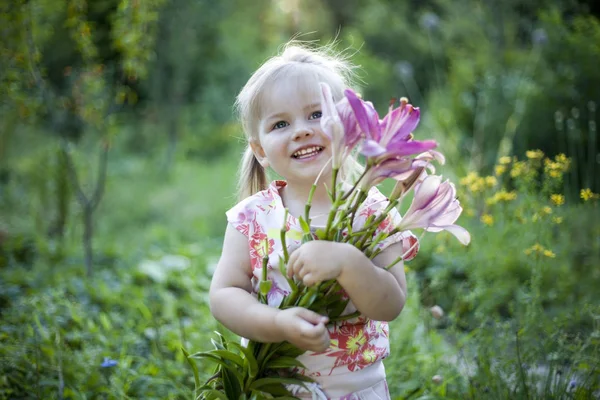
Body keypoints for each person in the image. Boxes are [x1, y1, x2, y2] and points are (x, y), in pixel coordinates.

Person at [209, 41, 419, 400]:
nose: (302, 130)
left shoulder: (372, 212)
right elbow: (223, 294)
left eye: (317, 115)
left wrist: (348, 262)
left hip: (354, 390)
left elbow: (392, 303)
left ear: (353, 127)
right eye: (280, 123)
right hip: (272, 387)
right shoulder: (253, 217)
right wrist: (277, 323)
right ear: (260, 149)